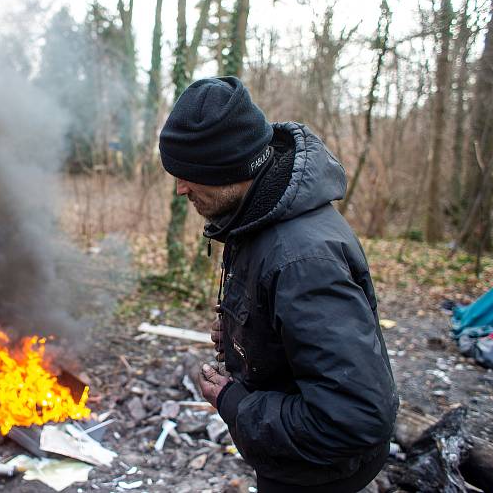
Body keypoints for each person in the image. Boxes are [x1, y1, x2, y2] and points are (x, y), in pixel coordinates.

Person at [159, 76, 398, 493]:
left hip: (320, 475)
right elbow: (295, 332)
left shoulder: (302, 257)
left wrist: (233, 403)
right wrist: (245, 332)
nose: (180, 189)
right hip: (293, 458)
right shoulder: (259, 215)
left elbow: (352, 418)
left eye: (190, 175)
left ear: (231, 168)